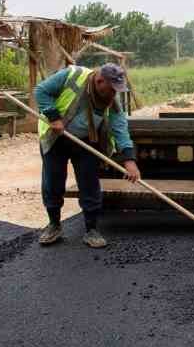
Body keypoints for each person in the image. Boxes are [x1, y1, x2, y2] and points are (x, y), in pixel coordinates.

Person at [34, 61, 140, 248]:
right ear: (99, 81)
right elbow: (41, 91)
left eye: (117, 89)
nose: (114, 93)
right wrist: (53, 116)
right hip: (56, 136)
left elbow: (119, 126)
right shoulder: (72, 75)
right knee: (53, 181)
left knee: (89, 182)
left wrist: (129, 159)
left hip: (86, 140)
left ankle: (91, 229)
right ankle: (54, 225)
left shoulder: (110, 98)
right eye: (112, 89)